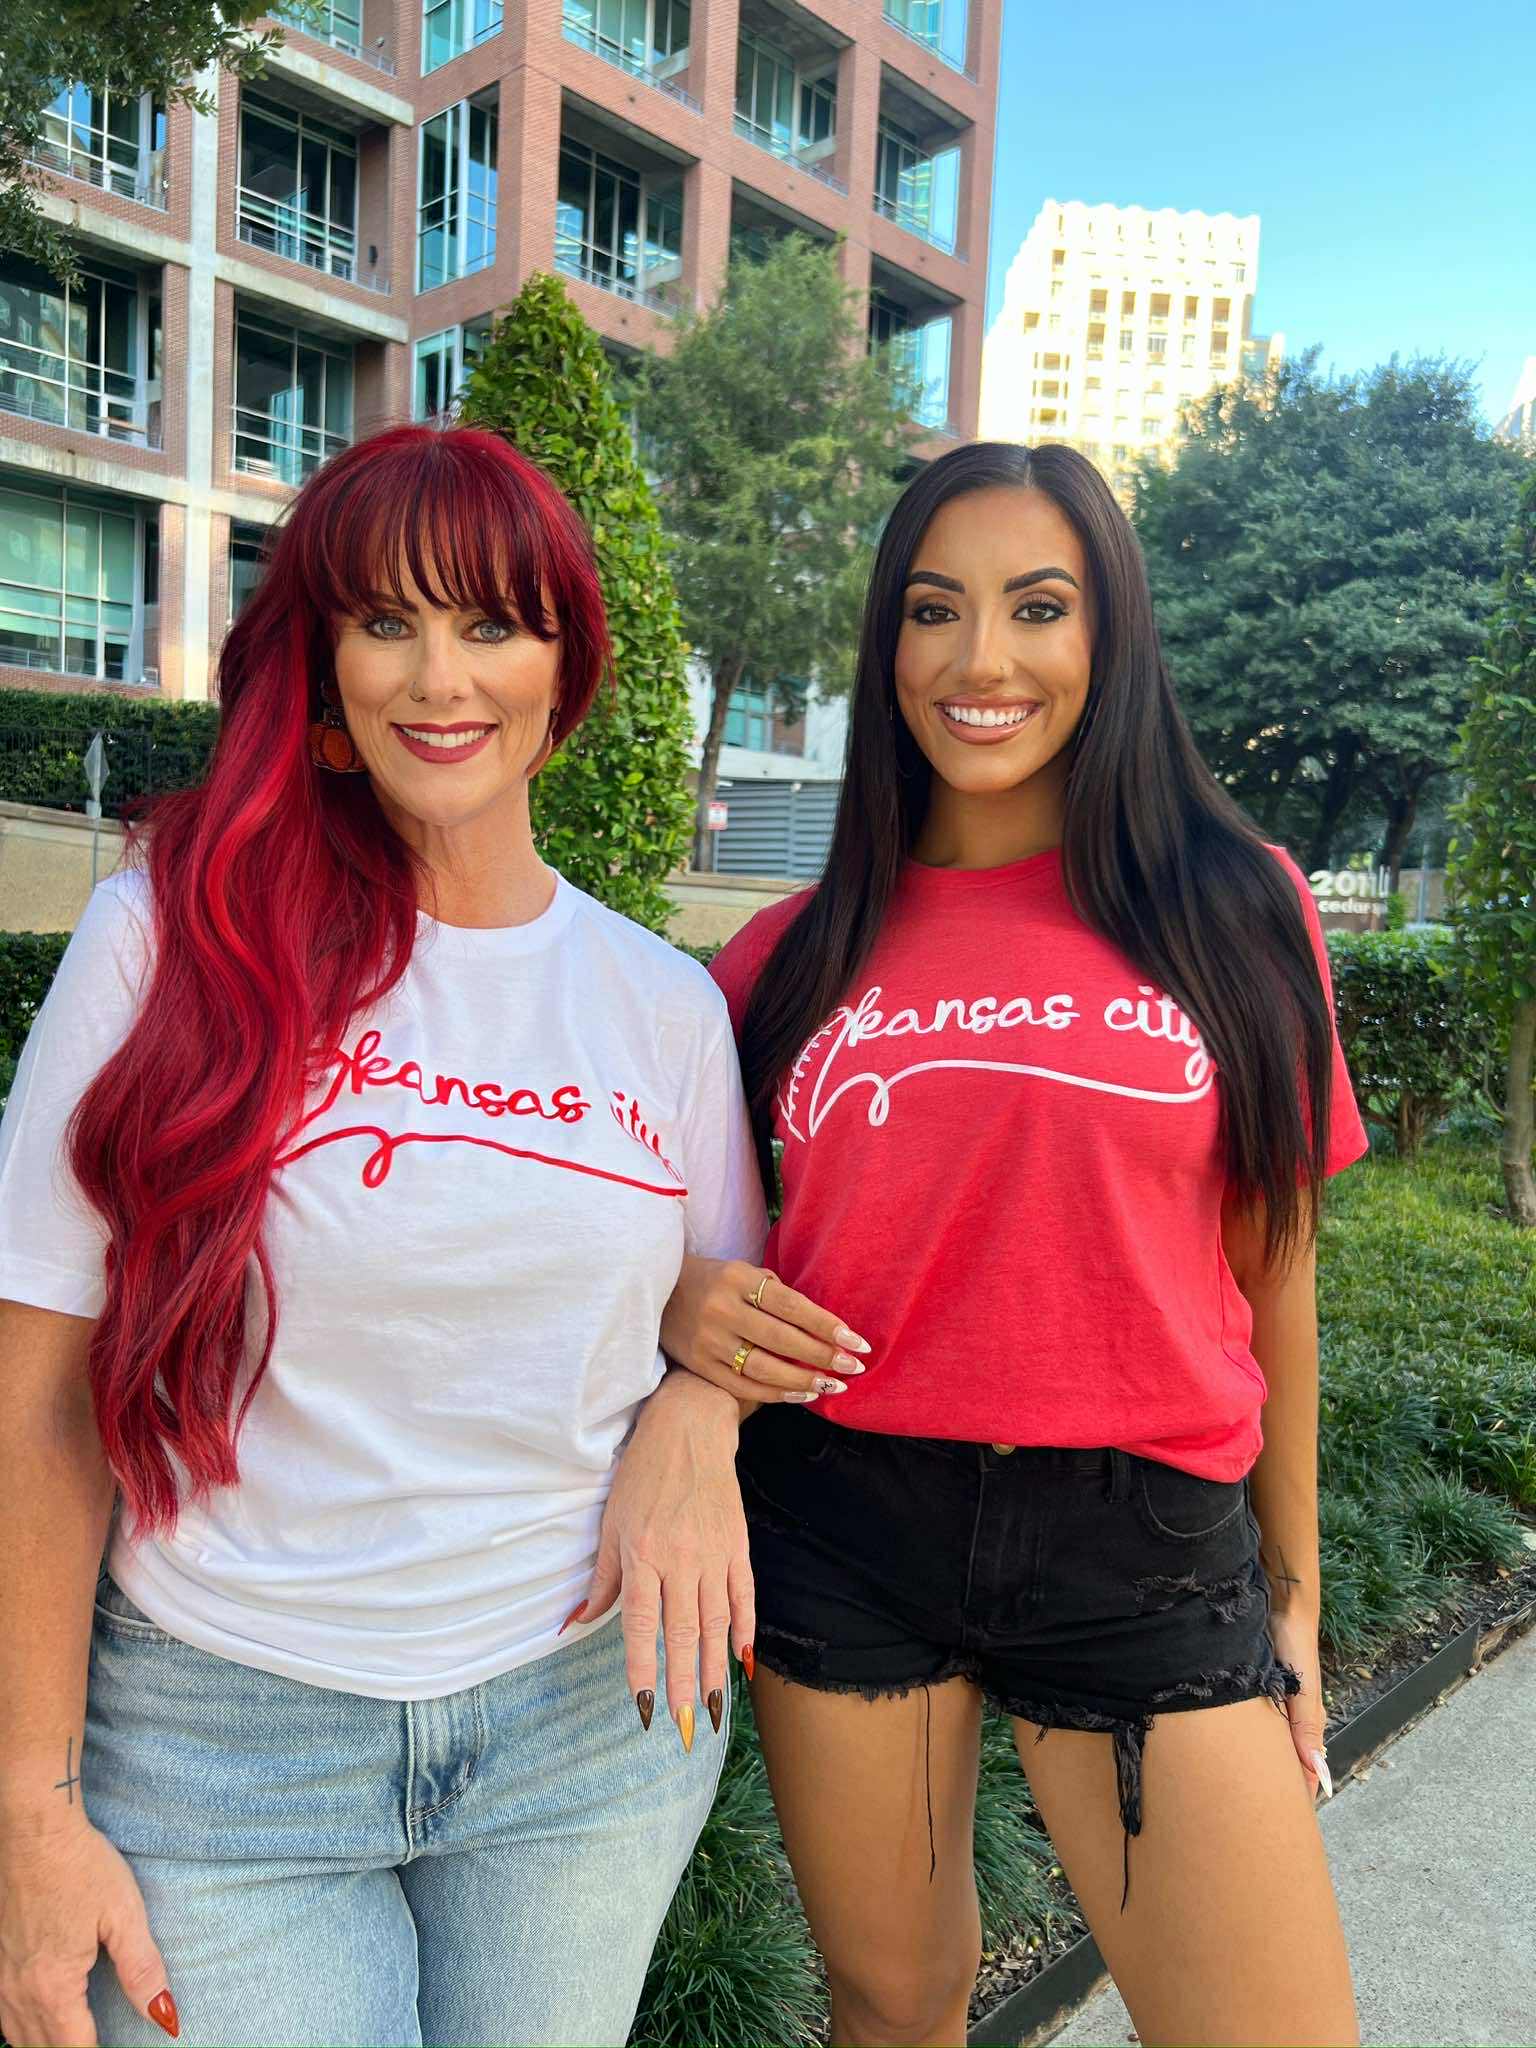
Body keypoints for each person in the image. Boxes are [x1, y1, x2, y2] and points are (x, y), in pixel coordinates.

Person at [0, 422, 765, 2048]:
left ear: (563, 666)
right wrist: (29, 1805)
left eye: (492, 623)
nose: (440, 676)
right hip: (218, 1737)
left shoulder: (663, 1007)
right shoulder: (171, 937)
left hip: (586, 1730)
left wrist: (699, 1414)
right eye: (386, 622)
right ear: (327, 667)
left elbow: (727, 1316)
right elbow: (38, 1394)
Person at [665, 440, 1369, 2047]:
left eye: (1038, 608)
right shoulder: (783, 958)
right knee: (893, 2007)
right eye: (935, 611)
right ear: (887, 647)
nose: (982, 660)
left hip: (1142, 1540)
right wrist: (683, 1300)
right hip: (845, 1523)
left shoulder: (1236, 907)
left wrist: (1298, 1594)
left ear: (1108, 635)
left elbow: (1277, 1267)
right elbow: (657, 1237)